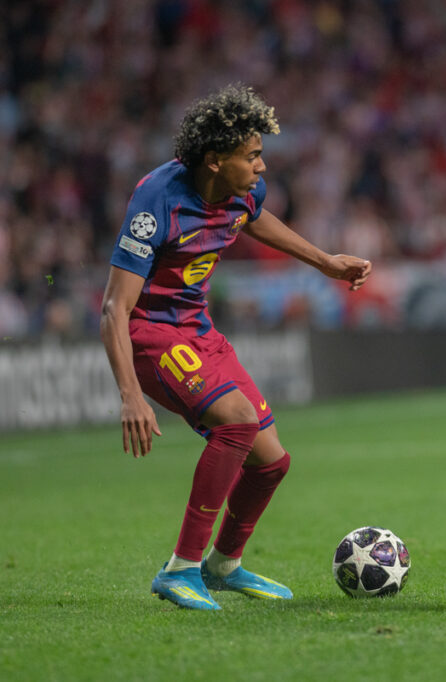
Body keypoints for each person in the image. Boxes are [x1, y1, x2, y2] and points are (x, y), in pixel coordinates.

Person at [100, 84, 372, 610]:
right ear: (214, 160)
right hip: (151, 331)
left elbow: (253, 217)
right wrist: (130, 396)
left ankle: (223, 565)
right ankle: (180, 569)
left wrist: (325, 262)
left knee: (272, 462)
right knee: (238, 423)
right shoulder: (157, 199)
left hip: (199, 329)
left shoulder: (244, 191)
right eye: (252, 156)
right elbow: (115, 308)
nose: (261, 166)